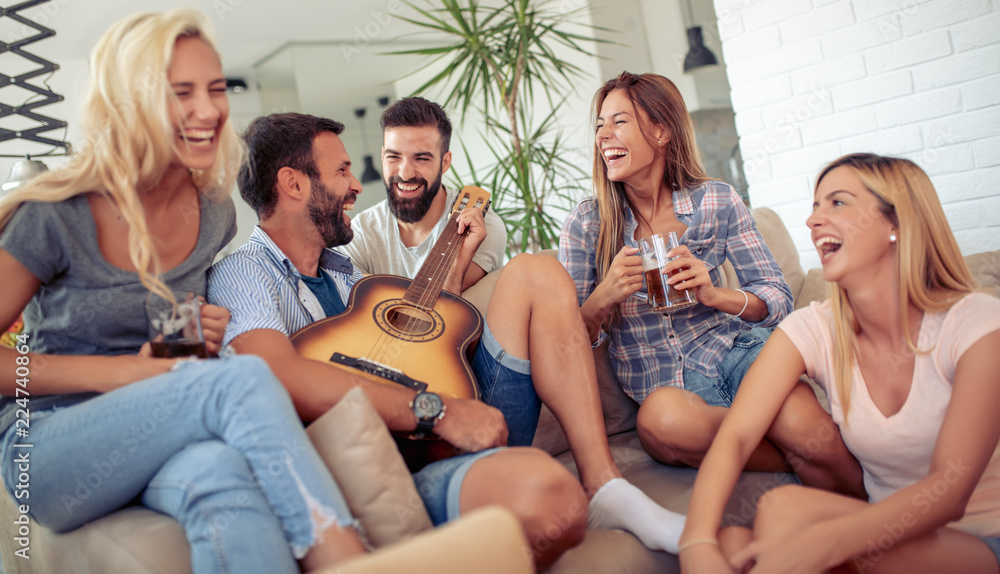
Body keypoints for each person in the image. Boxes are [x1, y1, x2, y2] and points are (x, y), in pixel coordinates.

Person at [208, 111, 693, 566]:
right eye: (341, 172)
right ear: (293, 184)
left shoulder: (347, 274)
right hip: (393, 463)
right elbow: (274, 375)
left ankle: (605, 485)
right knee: (549, 500)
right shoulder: (243, 273)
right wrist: (437, 410)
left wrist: (458, 258)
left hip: (451, 420)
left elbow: (420, 331)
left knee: (537, 270)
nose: (357, 185)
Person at [0, 11, 366, 573]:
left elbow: (165, 342)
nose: (208, 109)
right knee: (240, 380)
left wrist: (188, 334)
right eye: (181, 92)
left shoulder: (214, 212)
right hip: (48, 444)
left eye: (216, 89)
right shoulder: (54, 216)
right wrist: (125, 374)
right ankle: (348, 558)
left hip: (156, 426)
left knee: (222, 479)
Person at [680, 153, 1000, 573]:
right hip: (882, 533)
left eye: (838, 203)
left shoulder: (976, 323)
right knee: (732, 540)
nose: (813, 221)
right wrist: (696, 541)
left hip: (979, 539)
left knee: (782, 520)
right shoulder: (814, 328)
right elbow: (737, 436)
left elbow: (948, 489)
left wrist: (825, 542)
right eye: (815, 206)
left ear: (895, 224)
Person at [559, 71, 864, 497]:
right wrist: (604, 296)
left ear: (661, 130)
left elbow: (776, 298)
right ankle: (801, 450)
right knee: (661, 424)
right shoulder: (588, 224)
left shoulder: (715, 200)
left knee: (811, 433)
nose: (603, 135)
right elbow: (563, 346)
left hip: (739, 355)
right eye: (599, 125)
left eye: (619, 122)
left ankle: (880, 539)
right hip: (664, 388)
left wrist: (714, 294)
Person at [339, 96, 507, 291]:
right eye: (393, 157)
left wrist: (459, 261)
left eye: (421, 159)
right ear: (382, 156)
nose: (405, 173)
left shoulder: (480, 228)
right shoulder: (359, 233)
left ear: (445, 162)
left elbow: (439, 309)